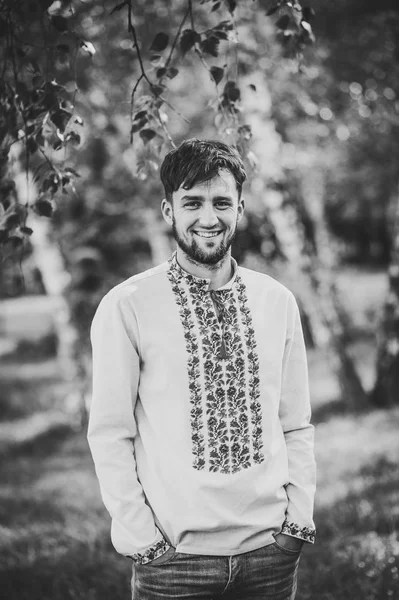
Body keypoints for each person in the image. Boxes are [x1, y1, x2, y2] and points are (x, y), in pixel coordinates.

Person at [88, 138, 316, 600]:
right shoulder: (129, 305)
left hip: (270, 554)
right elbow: (110, 433)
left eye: (221, 202)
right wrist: (146, 543)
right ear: (168, 210)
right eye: (192, 202)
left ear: (240, 208)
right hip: (174, 564)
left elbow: (296, 423)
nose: (209, 218)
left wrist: (298, 522)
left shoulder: (276, 301)